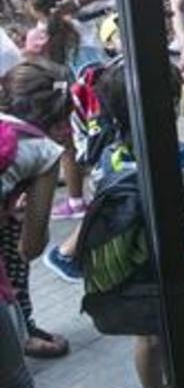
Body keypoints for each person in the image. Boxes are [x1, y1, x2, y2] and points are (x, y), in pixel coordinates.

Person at [80, 63, 184, 387]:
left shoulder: (107, 159)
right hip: (183, 263)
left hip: (127, 269)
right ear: (172, 103)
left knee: (149, 337)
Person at [19, 0, 114, 220]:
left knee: (98, 112)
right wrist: (43, 1)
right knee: (63, 115)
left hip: (92, 35)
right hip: (59, 38)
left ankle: (109, 184)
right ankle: (76, 197)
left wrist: (65, 6)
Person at [0, 60, 73, 366]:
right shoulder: (43, 150)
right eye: (64, 121)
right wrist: (33, 212)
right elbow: (30, 248)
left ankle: (21, 325)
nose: (68, 132)